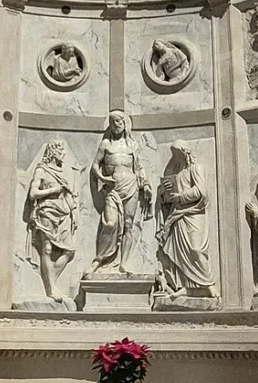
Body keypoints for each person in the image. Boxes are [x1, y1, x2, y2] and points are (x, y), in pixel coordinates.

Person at [88, 111, 152, 276]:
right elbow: (95, 166)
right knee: (110, 223)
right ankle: (99, 259)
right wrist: (103, 177)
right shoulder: (106, 145)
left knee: (128, 225)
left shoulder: (132, 145)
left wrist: (145, 185)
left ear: (124, 123)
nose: (117, 124)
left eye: (119, 121)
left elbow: (138, 167)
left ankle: (124, 263)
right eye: (113, 122)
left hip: (131, 186)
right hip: (113, 189)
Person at [156, 141, 217, 298]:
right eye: (173, 154)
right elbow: (166, 199)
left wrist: (180, 196)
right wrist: (165, 193)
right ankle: (186, 288)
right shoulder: (177, 173)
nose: (175, 157)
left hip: (193, 213)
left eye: (176, 153)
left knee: (195, 249)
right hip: (178, 214)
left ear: (184, 152)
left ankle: (208, 284)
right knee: (178, 252)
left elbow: (201, 191)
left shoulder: (196, 169)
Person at [26, 140, 78, 301]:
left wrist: (74, 212)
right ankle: (51, 289)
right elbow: (33, 194)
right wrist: (52, 190)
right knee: (47, 249)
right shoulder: (42, 170)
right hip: (46, 211)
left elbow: (67, 194)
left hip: (63, 212)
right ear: (53, 152)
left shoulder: (62, 172)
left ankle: (51, 282)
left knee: (69, 250)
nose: (63, 153)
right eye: (60, 150)